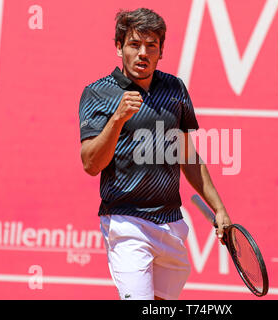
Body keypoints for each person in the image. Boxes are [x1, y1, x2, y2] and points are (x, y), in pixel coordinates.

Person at [78, 8, 231, 300]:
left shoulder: (175, 89)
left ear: (161, 52)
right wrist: (117, 119)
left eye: (152, 46)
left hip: (172, 224)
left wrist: (219, 208)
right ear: (119, 47)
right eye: (134, 44)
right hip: (126, 222)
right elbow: (90, 163)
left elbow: (187, 156)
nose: (143, 53)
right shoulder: (97, 94)